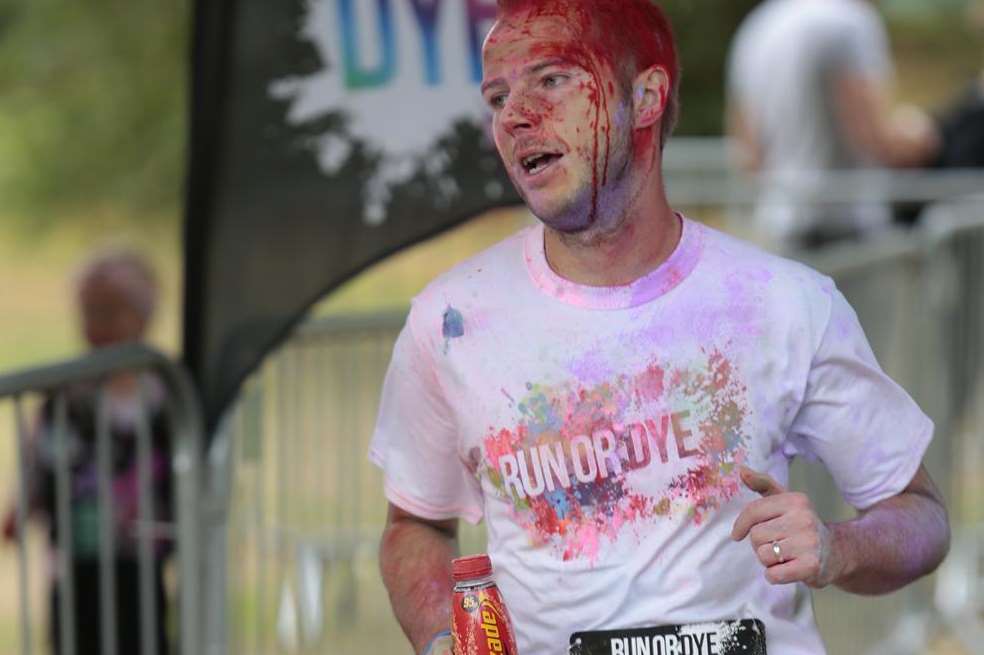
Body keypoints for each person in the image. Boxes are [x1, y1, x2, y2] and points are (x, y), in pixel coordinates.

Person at [371, 1, 950, 653]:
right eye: (498, 95)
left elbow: (922, 518)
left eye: (553, 80)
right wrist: (442, 636)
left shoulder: (786, 304)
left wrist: (837, 547)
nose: (514, 115)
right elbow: (414, 524)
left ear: (645, 96)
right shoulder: (450, 322)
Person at [2, 249, 173, 655]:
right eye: (89, 312)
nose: (98, 325)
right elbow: (38, 460)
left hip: (143, 558)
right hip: (76, 560)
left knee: (145, 634)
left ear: (143, 316)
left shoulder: (165, 396)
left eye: (112, 312)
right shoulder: (64, 397)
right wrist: (20, 509)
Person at [726, 0, 940, 250]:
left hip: (781, 227)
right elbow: (877, 141)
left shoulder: (759, 26)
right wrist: (921, 134)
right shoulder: (848, 22)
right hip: (846, 232)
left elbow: (749, 157)